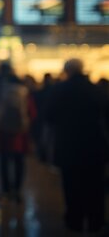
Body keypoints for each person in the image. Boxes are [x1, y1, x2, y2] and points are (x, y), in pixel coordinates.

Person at [45, 59, 109, 234]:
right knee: (95, 186)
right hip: (95, 145)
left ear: (67, 71)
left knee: (71, 186)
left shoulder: (59, 90)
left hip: (69, 145)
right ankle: (96, 221)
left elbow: (49, 116)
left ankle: (75, 220)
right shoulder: (97, 90)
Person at [0, 62, 36, 203]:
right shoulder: (23, 86)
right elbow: (31, 111)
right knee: (19, 161)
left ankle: (5, 191)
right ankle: (17, 191)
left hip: (2, 130)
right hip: (21, 131)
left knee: (3, 161)